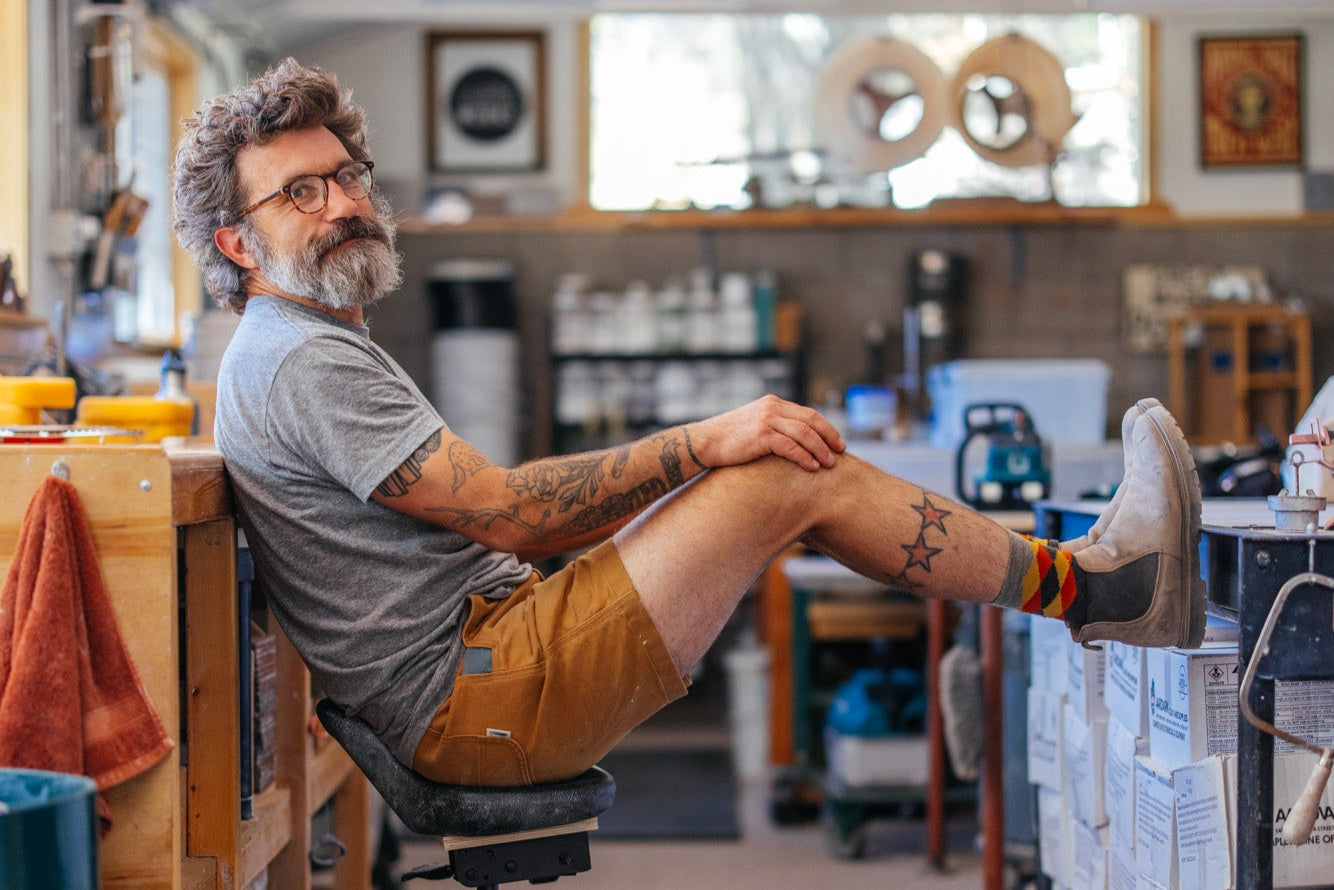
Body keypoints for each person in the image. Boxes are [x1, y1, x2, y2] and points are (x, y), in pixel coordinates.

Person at [172, 59, 1205, 789]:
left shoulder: (305, 342)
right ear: (237, 239)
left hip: (490, 656)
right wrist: (699, 441)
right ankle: (1095, 589)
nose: (340, 202)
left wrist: (696, 464)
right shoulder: (299, 355)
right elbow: (507, 513)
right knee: (777, 471)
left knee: (781, 469)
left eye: (345, 175)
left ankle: (1060, 599)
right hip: (478, 694)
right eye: (298, 192)